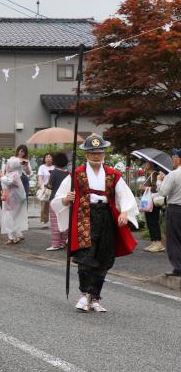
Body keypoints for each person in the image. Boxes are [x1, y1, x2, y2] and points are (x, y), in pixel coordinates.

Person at [51, 134, 138, 312]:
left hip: (106, 217)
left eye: (99, 152)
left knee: (104, 257)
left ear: (104, 153)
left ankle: (95, 297)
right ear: (86, 154)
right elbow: (59, 198)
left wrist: (124, 211)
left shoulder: (114, 175)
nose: (96, 156)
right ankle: (84, 294)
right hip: (85, 216)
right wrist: (67, 199)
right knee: (85, 256)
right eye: (92, 153)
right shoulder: (76, 174)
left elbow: (125, 195)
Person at [156, 148, 181, 276]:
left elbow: (163, 192)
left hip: (176, 209)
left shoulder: (173, 174)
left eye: (174, 158)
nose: (172, 161)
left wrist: (160, 180)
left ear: (178, 158)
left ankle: (178, 268)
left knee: (174, 239)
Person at [0, 157, 28, 244]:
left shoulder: (14, 174)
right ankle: (17, 235)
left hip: (14, 200)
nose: (6, 166)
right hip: (12, 199)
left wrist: (1, 176)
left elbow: (8, 182)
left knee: (9, 218)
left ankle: (13, 237)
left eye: (8, 164)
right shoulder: (12, 174)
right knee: (12, 217)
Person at [46, 152, 69, 251]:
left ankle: (55, 244)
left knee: (55, 222)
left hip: (55, 200)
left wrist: (46, 185)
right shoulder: (68, 174)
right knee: (64, 221)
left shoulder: (54, 172)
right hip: (66, 201)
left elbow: (50, 186)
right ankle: (63, 242)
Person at [141, 161, 164, 252]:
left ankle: (158, 243)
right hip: (149, 202)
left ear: (151, 164)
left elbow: (156, 188)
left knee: (153, 221)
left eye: (147, 163)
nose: (145, 165)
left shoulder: (155, 174)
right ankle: (154, 242)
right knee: (150, 222)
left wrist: (144, 188)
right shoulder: (149, 175)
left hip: (153, 202)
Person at [37, 153, 54, 227]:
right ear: (44, 159)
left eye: (50, 157)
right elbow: (40, 177)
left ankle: (54, 221)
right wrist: (41, 186)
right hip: (45, 188)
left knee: (54, 205)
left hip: (54, 188)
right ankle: (44, 221)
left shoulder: (55, 167)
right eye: (47, 157)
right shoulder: (42, 167)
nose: (48, 158)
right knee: (44, 206)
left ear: (52, 159)